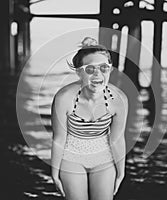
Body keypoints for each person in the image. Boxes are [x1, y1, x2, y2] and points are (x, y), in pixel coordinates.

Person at [51, 37, 128, 200]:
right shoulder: (64, 98)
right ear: (79, 72)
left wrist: (121, 172)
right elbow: (59, 139)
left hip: (103, 156)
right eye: (90, 69)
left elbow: (117, 139)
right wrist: (54, 173)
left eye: (103, 68)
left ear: (111, 69)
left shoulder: (118, 100)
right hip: (72, 155)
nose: (97, 74)